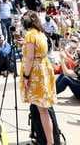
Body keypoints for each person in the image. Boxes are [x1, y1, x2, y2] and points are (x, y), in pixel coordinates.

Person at [20, 11, 57, 145]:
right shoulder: (40, 33)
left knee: (42, 110)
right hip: (44, 68)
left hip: (35, 73)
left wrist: (26, 76)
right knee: (44, 109)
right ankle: (50, 140)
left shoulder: (30, 35)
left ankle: (49, 141)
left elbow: (30, 58)